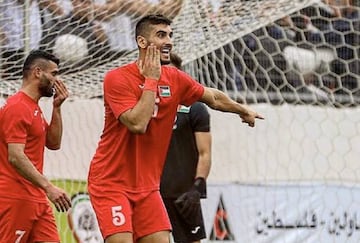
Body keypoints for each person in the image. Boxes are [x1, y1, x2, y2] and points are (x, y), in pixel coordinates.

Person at [87, 14, 264, 243]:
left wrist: (242, 110)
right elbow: (137, 124)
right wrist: (152, 80)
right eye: (161, 35)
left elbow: (213, 97)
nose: (169, 40)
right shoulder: (117, 79)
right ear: (142, 42)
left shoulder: (175, 78)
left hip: (147, 187)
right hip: (111, 183)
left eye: (170, 35)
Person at [0, 50, 72, 242]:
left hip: (36, 198)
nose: (57, 80)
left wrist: (57, 108)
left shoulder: (33, 107)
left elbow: (53, 143)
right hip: (15, 198)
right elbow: (15, 156)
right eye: (54, 73)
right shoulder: (17, 106)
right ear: (38, 72)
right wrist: (49, 187)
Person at [160, 52, 211, 243]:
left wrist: (197, 187)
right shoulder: (147, 109)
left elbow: (205, 153)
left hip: (184, 194)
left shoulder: (195, 108)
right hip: (151, 193)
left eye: (173, 73)